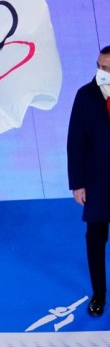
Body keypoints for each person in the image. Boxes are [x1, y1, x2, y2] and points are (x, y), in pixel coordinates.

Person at [67, 45, 110, 318]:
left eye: (107, 69)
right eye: (99, 67)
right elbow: (75, 142)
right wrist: (77, 183)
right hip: (98, 183)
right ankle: (99, 295)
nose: (101, 73)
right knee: (95, 240)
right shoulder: (85, 96)